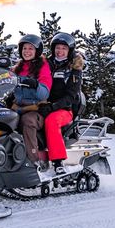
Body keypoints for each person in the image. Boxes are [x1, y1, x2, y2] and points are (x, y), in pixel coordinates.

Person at [38, 32, 83, 175]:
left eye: (64, 48)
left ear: (69, 50)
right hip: (43, 104)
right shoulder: (46, 65)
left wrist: (53, 106)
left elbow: (71, 96)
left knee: (51, 121)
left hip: (64, 109)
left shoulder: (73, 69)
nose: (60, 51)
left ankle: (58, 162)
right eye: (58, 47)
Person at [10, 34, 51, 166]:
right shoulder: (18, 68)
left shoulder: (43, 67)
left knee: (27, 121)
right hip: (18, 107)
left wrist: (36, 85)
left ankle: (33, 161)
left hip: (36, 109)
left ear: (37, 51)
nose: (27, 51)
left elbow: (44, 93)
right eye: (24, 48)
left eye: (30, 49)